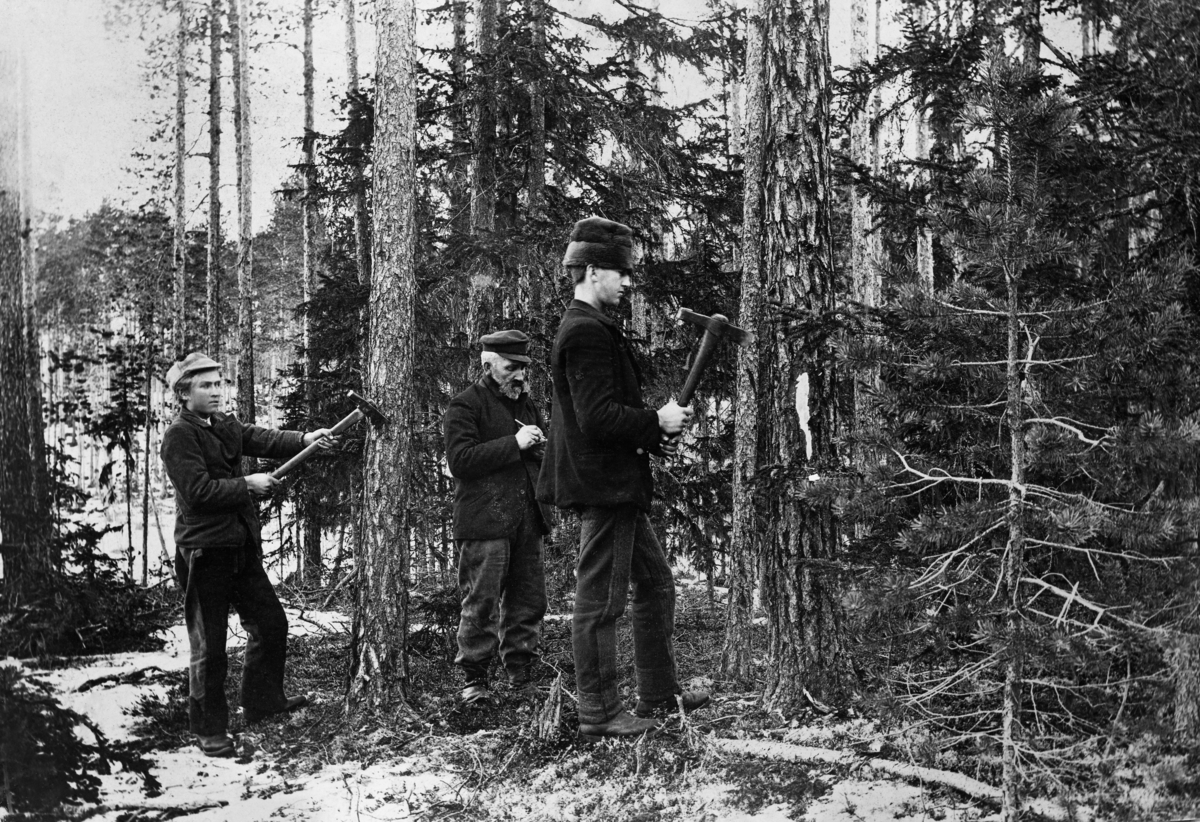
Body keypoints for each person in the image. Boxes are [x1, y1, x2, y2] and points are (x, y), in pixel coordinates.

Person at [537, 216, 710, 741]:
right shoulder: (584, 331)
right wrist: (653, 421)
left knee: (655, 584)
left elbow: (608, 417)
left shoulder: (594, 327)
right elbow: (596, 420)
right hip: (603, 485)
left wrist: (654, 434)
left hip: (617, 482)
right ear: (591, 271)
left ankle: (658, 691)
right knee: (600, 601)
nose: (629, 282)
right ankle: (599, 711)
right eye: (621, 272)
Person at [160, 352, 336, 757]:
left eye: (219, 383)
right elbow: (198, 493)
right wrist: (247, 485)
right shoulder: (179, 435)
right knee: (211, 646)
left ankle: (262, 701)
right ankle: (209, 729)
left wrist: (305, 439)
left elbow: (261, 437)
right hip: (205, 553)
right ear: (184, 394)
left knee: (271, 624)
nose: (217, 391)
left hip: (239, 546)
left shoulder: (223, 424)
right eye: (206, 385)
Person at [444, 330, 553, 705]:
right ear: (488, 365)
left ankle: (521, 674)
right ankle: (473, 682)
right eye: (511, 368)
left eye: (524, 368)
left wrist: (542, 448)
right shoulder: (465, 405)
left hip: (527, 519)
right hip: (484, 521)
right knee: (482, 603)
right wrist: (515, 444)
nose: (520, 376)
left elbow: (541, 458)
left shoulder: (527, 406)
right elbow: (460, 461)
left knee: (528, 601)